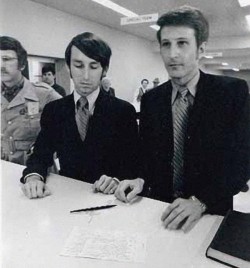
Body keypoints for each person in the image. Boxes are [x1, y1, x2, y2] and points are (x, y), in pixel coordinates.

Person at [115, 6, 250, 232]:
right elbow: (148, 156)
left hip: (209, 215)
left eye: (182, 43)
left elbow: (243, 160)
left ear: (201, 49)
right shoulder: (152, 100)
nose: (173, 53)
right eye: (166, 44)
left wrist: (201, 201)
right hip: (159, 211)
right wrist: (139, 179)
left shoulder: (231, 93)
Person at [20, 32, 138, 199]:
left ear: (104, 70)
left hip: (110, 200)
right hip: (66, 198)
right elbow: (40, 154)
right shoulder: (54, 110)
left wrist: (117, 179)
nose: (86, 76)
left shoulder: (123, 111)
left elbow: (132, 161)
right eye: (79, 65)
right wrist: (33, 176)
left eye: (94, 66)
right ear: (68, 67)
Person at [1, 36, 61, 165]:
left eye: (6, 59)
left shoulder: (45, 94)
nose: (1, 65)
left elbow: (70, 129)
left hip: (36, 170)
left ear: (22, 65)